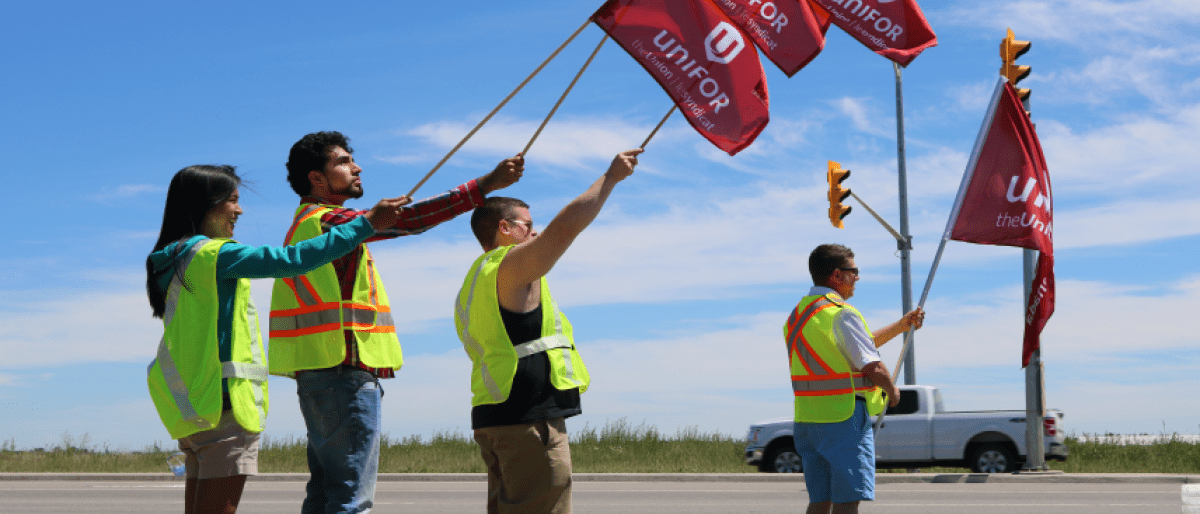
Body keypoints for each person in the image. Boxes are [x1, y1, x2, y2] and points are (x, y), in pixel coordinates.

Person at [269, 131, 523, 513]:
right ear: (316, 179)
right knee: (349, 498)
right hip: (343, 372)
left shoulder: (305, 222)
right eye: (342, 161)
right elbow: (410, 220)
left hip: (320, 372)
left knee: (326, 493)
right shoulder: (328, 221)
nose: (356, 167)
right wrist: (484, 186)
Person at [145, 165, 406, 514]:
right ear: (206, 205)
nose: (239, 210)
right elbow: (293, 260)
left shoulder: (171, 260)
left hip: (195, 408)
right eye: (232, 201)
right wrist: (367, 222)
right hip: (225, 405)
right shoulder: (212, 255)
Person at [454, 148, 643, 514]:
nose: (535, 231)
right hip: (526, 418)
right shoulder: (508, 264)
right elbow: (565, 228)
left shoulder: (476, 278)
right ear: (504, 229)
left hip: (499, 415)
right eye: (527, 224)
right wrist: (610, 178)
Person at [786, 244, 925, 514]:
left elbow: (857, 346)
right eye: (854, 271)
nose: (857, 277)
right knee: (848, 499)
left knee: (820, 499)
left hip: (808, 420)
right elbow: (871, 364)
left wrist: (900, 326)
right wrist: (891, 389)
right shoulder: (842, 312)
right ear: (837, 275)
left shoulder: (799, 315)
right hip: (843, 417)